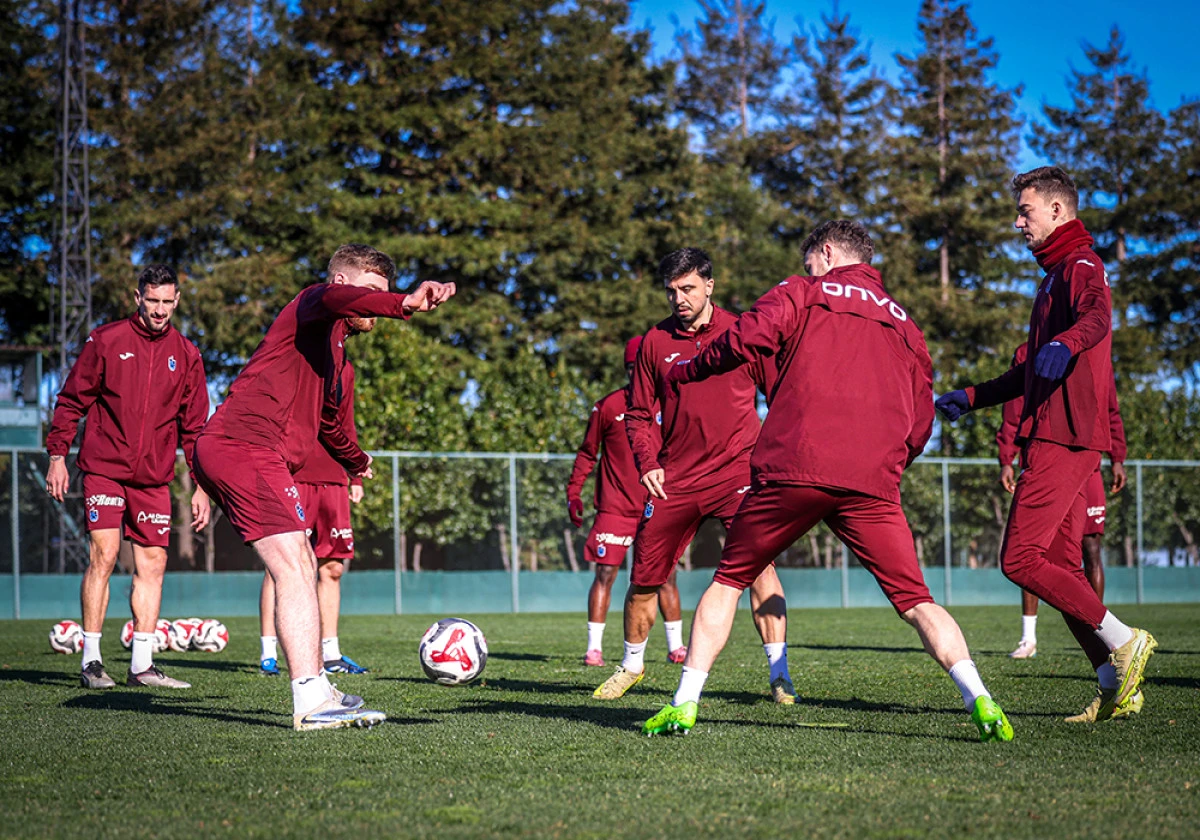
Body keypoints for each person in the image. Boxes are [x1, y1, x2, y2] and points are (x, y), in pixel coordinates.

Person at [642, 221, 1013, 742]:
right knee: (917, 600)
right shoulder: (906, 323)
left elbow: (748, 336)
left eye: (810, 260)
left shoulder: (802, 291)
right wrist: (891, 462)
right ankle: (982, 699)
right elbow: (921, 417)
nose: (807, 269)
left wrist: (691, 369)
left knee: (728, 581)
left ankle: (683, 703)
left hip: (796, 467)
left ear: (827, 252)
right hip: (871, 482)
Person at [195, 244, 454, 731]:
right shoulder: (314, 302)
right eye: (368, 291)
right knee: (293, 565)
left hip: (257, 452)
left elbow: (331, 426)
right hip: (242, 444)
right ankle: (310, 699)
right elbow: (339, 302)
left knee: (305, 564)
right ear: (341, 284)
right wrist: (405, 303)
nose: (372, 303)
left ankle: (318, 686)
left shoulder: (336, 356)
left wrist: (358, 460)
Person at [936, 166, 1156, 724]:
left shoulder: (1081, 265)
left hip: (1065, 434)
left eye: (1025, 211)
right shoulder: (1052, 274)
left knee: (1019, 558)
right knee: (1060, 565)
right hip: (1049, 431)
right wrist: (972, 395)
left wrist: (1067, 339)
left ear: (1058, 211)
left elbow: (1098, 318)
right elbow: (1033, 371)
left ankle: (1125, 640)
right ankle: (1114, 682)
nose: (1017, 222)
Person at [593, 247, 793, 703]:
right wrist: (648, 464)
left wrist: (776, 455)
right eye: (671, 290)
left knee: (760, 568)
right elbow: (639, 414)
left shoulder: (744, 332)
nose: (678, 298)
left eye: (687, 288)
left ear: (709, 286)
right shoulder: (653, 343)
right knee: (643, 577)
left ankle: (780, 675)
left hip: (738, 471)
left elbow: (781, 394)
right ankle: (632, 665)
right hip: (675, 478)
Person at [45, 264, 211, 690]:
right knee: (105, 552)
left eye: (166, 302)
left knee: (153, 563)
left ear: (176, 301)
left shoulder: (188, 355)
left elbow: (195, 429)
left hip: (153, 477)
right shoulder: (106, 341)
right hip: (104, 469)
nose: (159, 310)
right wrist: (58, 455)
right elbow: (70, 400)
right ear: (137, 298)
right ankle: (93, 662)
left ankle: (142, 665)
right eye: (151, 300)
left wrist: (201, 486)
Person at [998, 342, 1129, 661]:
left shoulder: (1094, 348)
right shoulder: (1027, 351)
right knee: (1032, 553)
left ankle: (1114, 643)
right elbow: (1014, 404)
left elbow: (1108, 402)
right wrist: (1006, 456)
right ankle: (1034, 638)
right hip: (1047, 459)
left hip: (1087, 464)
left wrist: (1117, 456)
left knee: (1085, 552)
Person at [566, 336, 687, 667]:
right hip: (615, 507)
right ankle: (594, 648)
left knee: (667, 575)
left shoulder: (669, 405)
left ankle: (676, 646)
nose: (639, 374)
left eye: (644, 368)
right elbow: (587, 452)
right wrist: (574, 491)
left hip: (656, 505)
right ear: (627, 369)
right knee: (605, 573)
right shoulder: (608, 406)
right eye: (633, 368)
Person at [260, 328, 372, 677]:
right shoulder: (297, 361)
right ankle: (268, 651)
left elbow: (346, 423)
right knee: (282, 564)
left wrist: (353, 474)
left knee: (333, 567)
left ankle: (331, 652)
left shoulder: (347, 370)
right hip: (294, 473)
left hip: (334, 477)